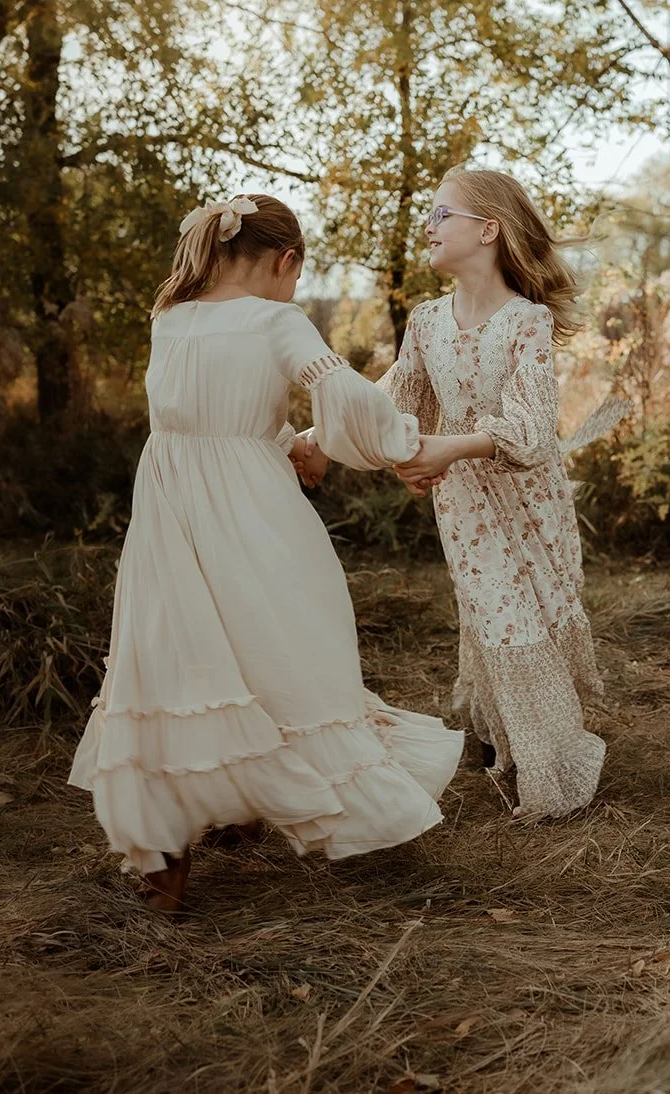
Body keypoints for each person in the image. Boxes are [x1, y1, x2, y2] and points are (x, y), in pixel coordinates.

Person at [69, 194, 463, 913]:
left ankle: (174, 844)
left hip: (168, 510)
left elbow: (203, 415)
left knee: (182, 659)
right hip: (253, 510)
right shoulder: (277, 319)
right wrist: (398, 447)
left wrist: (290, 444)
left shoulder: (171, 318)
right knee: (284, 646)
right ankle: (259, 798)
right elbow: (340, 394)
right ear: (287, 262)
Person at [305, 168, 605, 818]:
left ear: (488, 230)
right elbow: (393, 398)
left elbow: (532, 428)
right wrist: (317, 435)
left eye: (442, 214)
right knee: (496, 617)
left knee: (526, 617)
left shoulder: (526, 321)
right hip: (464, 505)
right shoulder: (427, 321)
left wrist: (451, 445)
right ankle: (530, 761)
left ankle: (552, 758)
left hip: (527, 497)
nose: (429, 225)